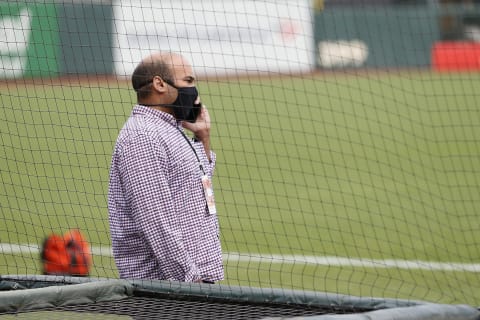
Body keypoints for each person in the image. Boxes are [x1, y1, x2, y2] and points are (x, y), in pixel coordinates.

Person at [108, 52, 224, 283]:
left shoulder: (173, 129)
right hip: (169, 291)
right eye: (188, 81)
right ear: (159, 84)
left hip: (191, 283)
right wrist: (190, 283)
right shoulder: (143, 137)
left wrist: (203, 136)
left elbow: (202, 192)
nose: (194, 91)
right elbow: (157, 223)